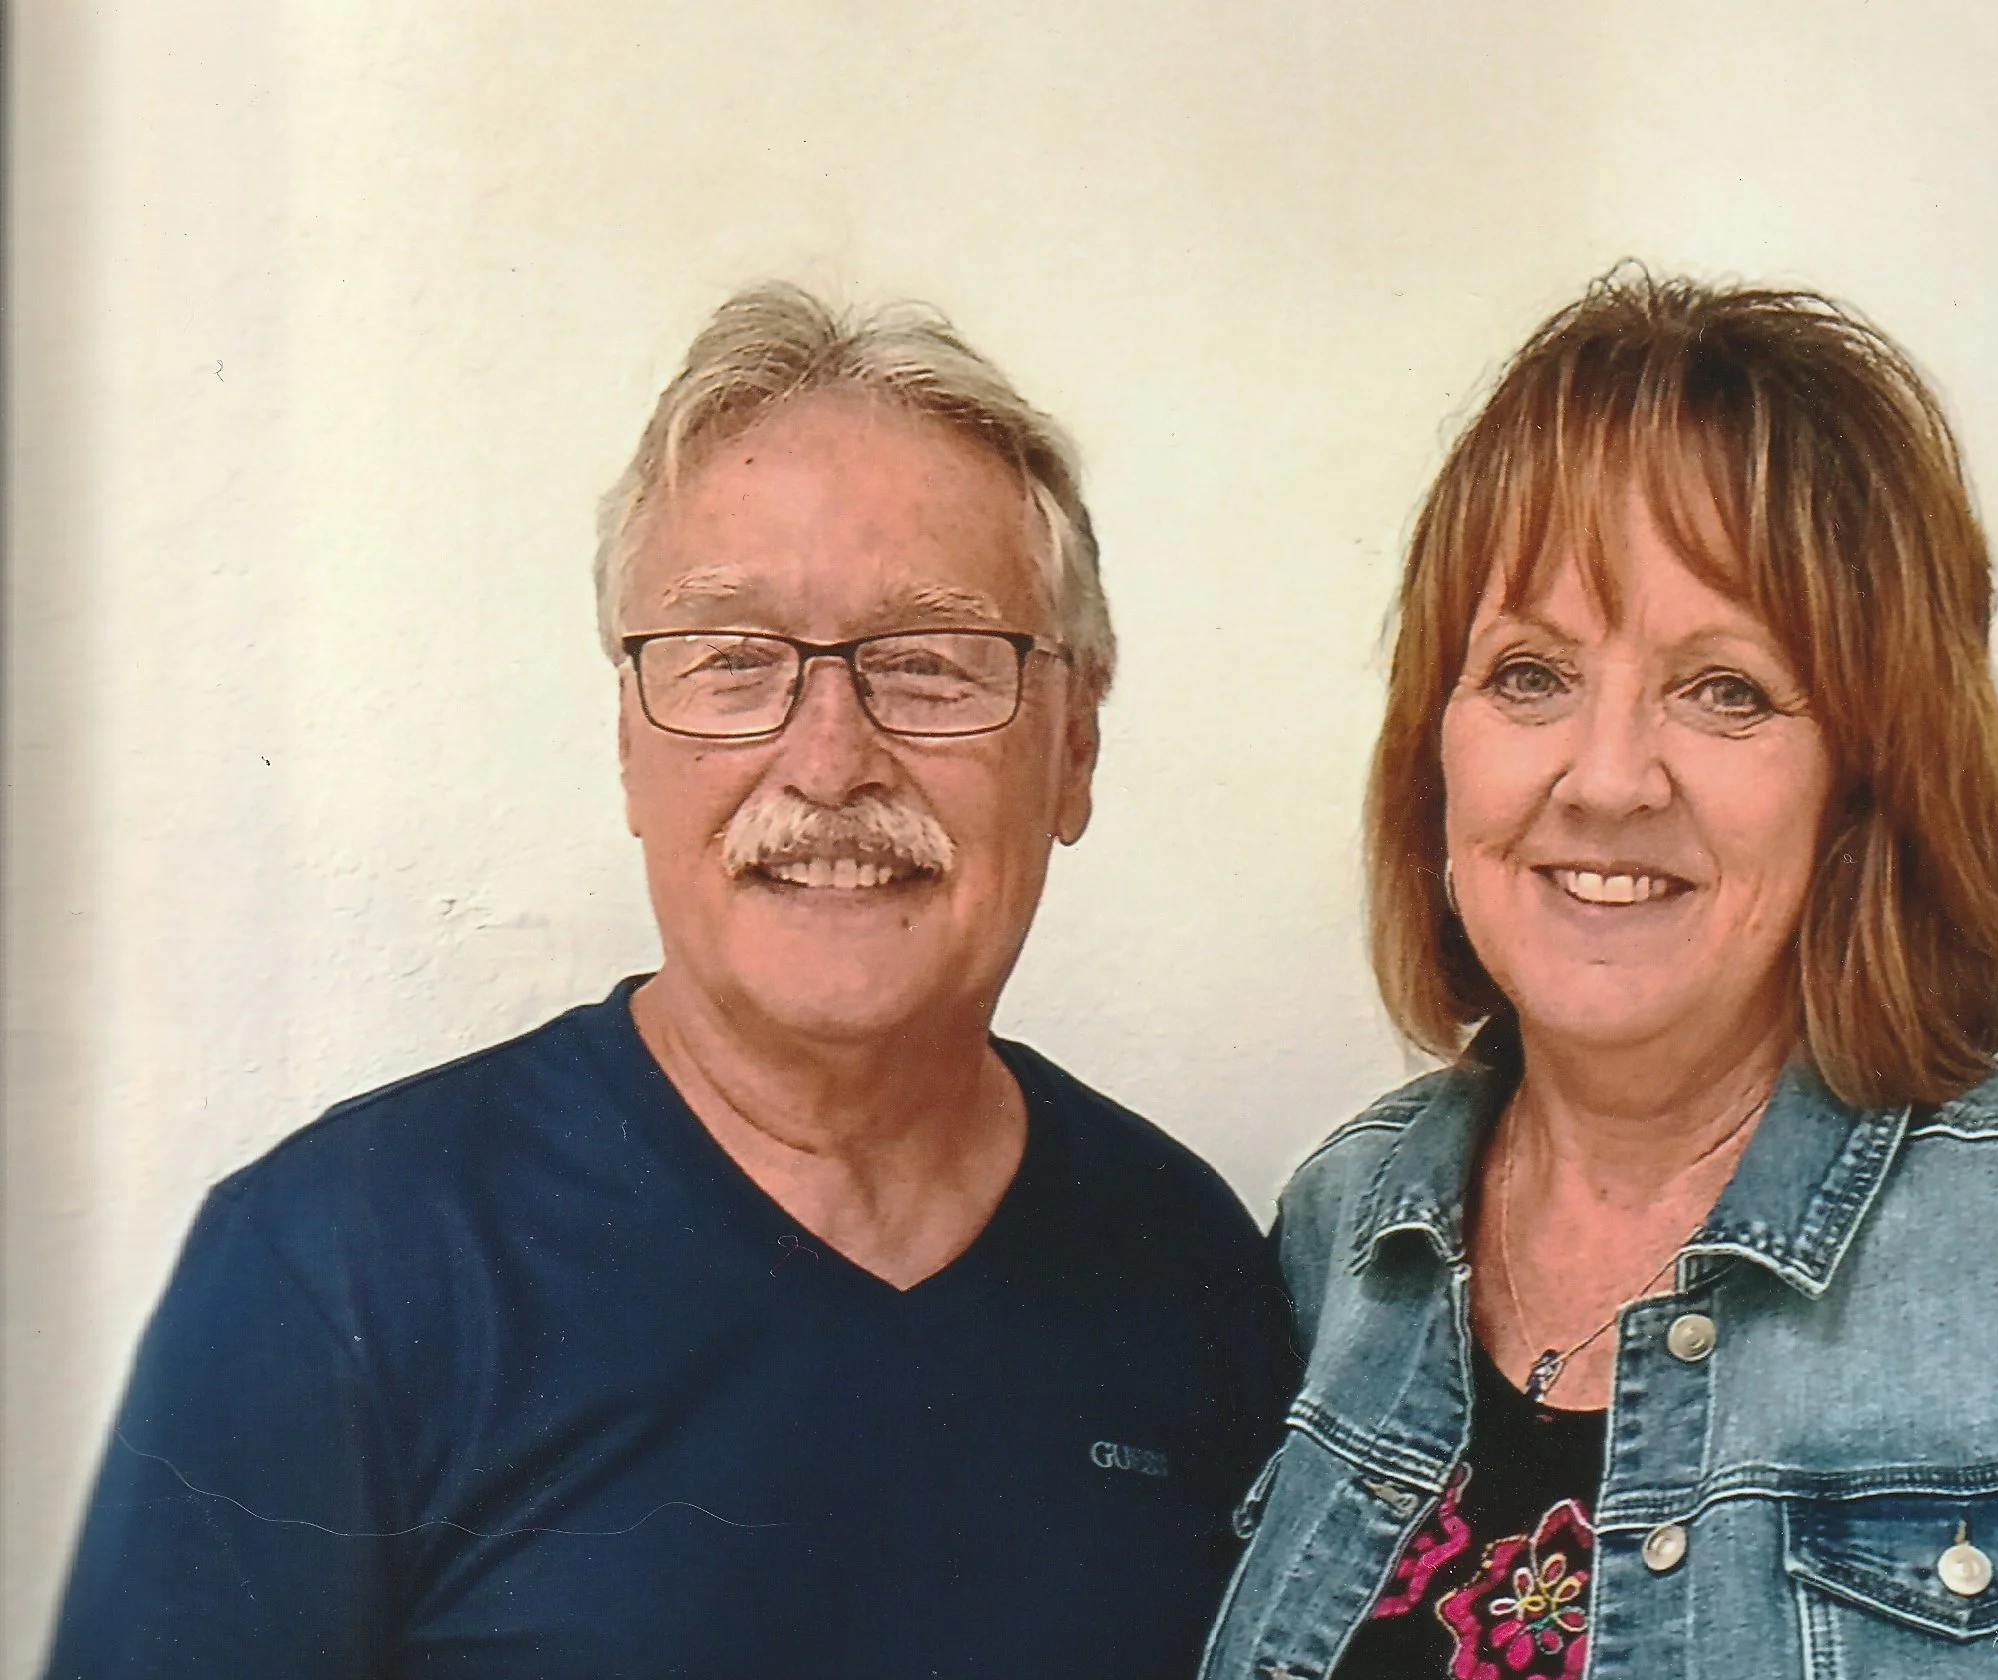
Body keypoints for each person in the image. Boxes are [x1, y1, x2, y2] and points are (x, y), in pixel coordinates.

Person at [48, 283, 1291, 1679]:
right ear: (631, 743)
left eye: (931, 666)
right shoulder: (336, 1268)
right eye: (733, 662)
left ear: (1075, 746)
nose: (829, 760)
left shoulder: (1189, 1271)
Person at [1200, 271, 1998, 1679]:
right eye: (1528, 674)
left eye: (1727, 689)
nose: (1609, 777)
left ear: (1866, 778)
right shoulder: (1345, 1235)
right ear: (1433, 745)